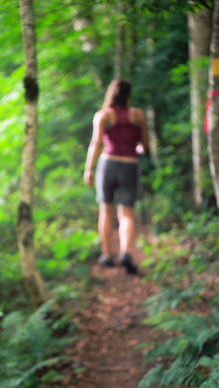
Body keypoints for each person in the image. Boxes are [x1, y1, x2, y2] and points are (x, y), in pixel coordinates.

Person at [83, 79, 149, 274]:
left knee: (106, 209)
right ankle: (126, 252)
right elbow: (144, 145)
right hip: (130, 164)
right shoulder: (138, 115)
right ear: (129, 95)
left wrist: (89, 169)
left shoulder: (103, 115)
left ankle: (106, 255)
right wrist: (136, 147)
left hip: (108, 164)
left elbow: (96, 143)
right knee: (127, 212)